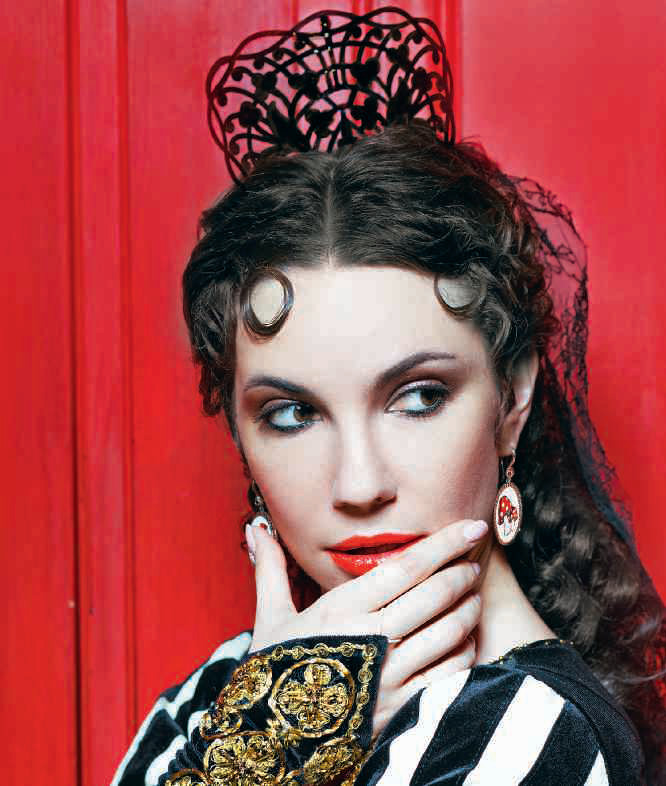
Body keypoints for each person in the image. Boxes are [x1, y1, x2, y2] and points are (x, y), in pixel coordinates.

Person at [111, 7, 666, 785]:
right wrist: (276, 730)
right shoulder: (208, 699)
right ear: (239, 428)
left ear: (512, 398)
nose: (360, 484)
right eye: (293, 413)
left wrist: (273, 746)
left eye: (418, 397)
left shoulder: (533, 734)